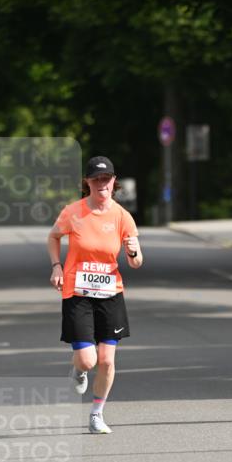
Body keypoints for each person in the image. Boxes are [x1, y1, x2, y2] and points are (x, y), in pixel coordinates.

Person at [47, 156, 143, 434]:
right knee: (88, 360)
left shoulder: (123, 216)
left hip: (110, 292)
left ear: (114, 182)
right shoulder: (73, 212)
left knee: (107, 360)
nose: (102, 184)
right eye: (96, 179)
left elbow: (136, 263)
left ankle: (97, 413)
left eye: (107, 179)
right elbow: (53, 237)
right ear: (87, 182)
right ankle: (78, 369)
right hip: (77, 291)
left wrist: (133, 248)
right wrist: (57, 266)